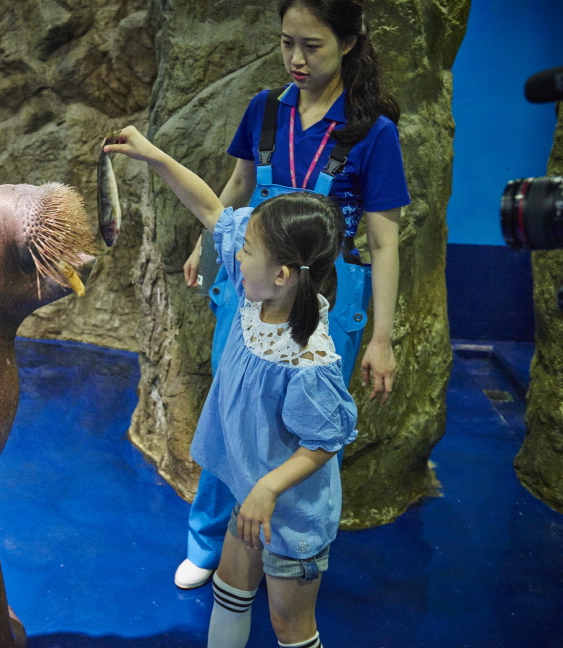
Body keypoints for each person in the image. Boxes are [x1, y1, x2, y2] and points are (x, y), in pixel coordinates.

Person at [176, 0, 411, 590]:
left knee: (299, 430)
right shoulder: (265, 110)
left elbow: (384, 242)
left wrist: (381, 337)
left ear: (350, 43)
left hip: (327, 295)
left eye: (313, 45)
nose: (296, 59)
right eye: (287, 43)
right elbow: (236, 187)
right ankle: (210, 540)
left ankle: (287, 550)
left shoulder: (373, 132)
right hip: (252, 283)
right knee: (230, 409)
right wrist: (207, 247)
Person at [106, 127, 357, 648]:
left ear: (284, 273)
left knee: (291, 624)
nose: (234, 255)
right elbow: (211, 209)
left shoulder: (308, 358)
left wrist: (266, 489)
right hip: (250, 494)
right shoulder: (253, 299)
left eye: (245, 250)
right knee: (229, 589)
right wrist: (153, 156)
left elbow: (324, 442)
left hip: (289, 513)